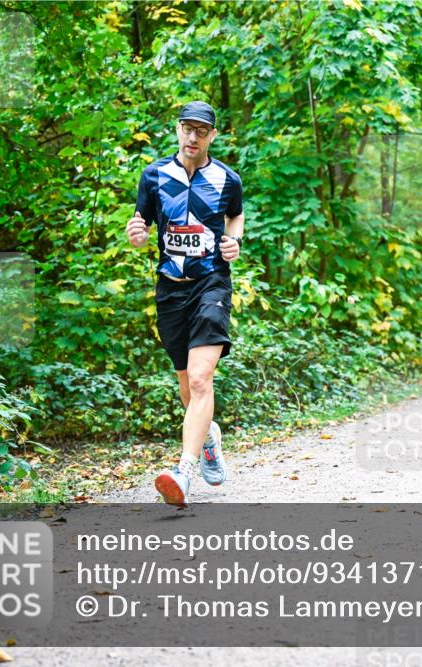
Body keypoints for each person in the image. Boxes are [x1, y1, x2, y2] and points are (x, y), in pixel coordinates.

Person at [126, 101, 244, 507]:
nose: (193, 137)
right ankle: (208, 437)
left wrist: (234, 241)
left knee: (199, 378)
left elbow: (236, 216)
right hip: (171, 289)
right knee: (185, 383)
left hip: (211, 284)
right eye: (187, 128)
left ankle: (184, 472)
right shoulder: (154, 175)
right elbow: (140, 224)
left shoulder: (227, 179)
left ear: (212, 135)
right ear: (178, 129)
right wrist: (137, 235)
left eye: (201, 130)